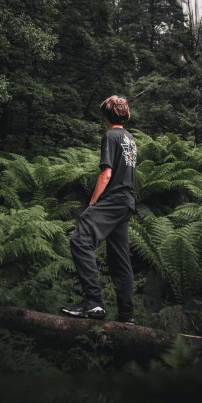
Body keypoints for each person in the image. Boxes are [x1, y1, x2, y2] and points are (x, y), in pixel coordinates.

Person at [60, 95, 137, 324]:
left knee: (80, 239)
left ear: (106, 115)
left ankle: (93, 302)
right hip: (126, 202)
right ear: (125, 115)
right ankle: (127, 315)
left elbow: (106, 173)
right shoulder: (130, 139)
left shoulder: (110, 136)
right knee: (120, 259)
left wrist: (92, 204)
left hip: (113, 200)